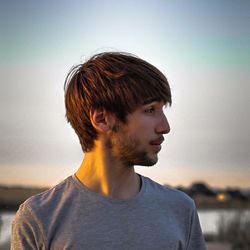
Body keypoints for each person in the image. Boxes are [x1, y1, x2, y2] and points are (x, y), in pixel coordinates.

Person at [11, 52, 206, 249]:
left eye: (162, 109)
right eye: (150, 110)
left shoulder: (180, 210)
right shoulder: (38, 218)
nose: (165, 126)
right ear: (102, 119)